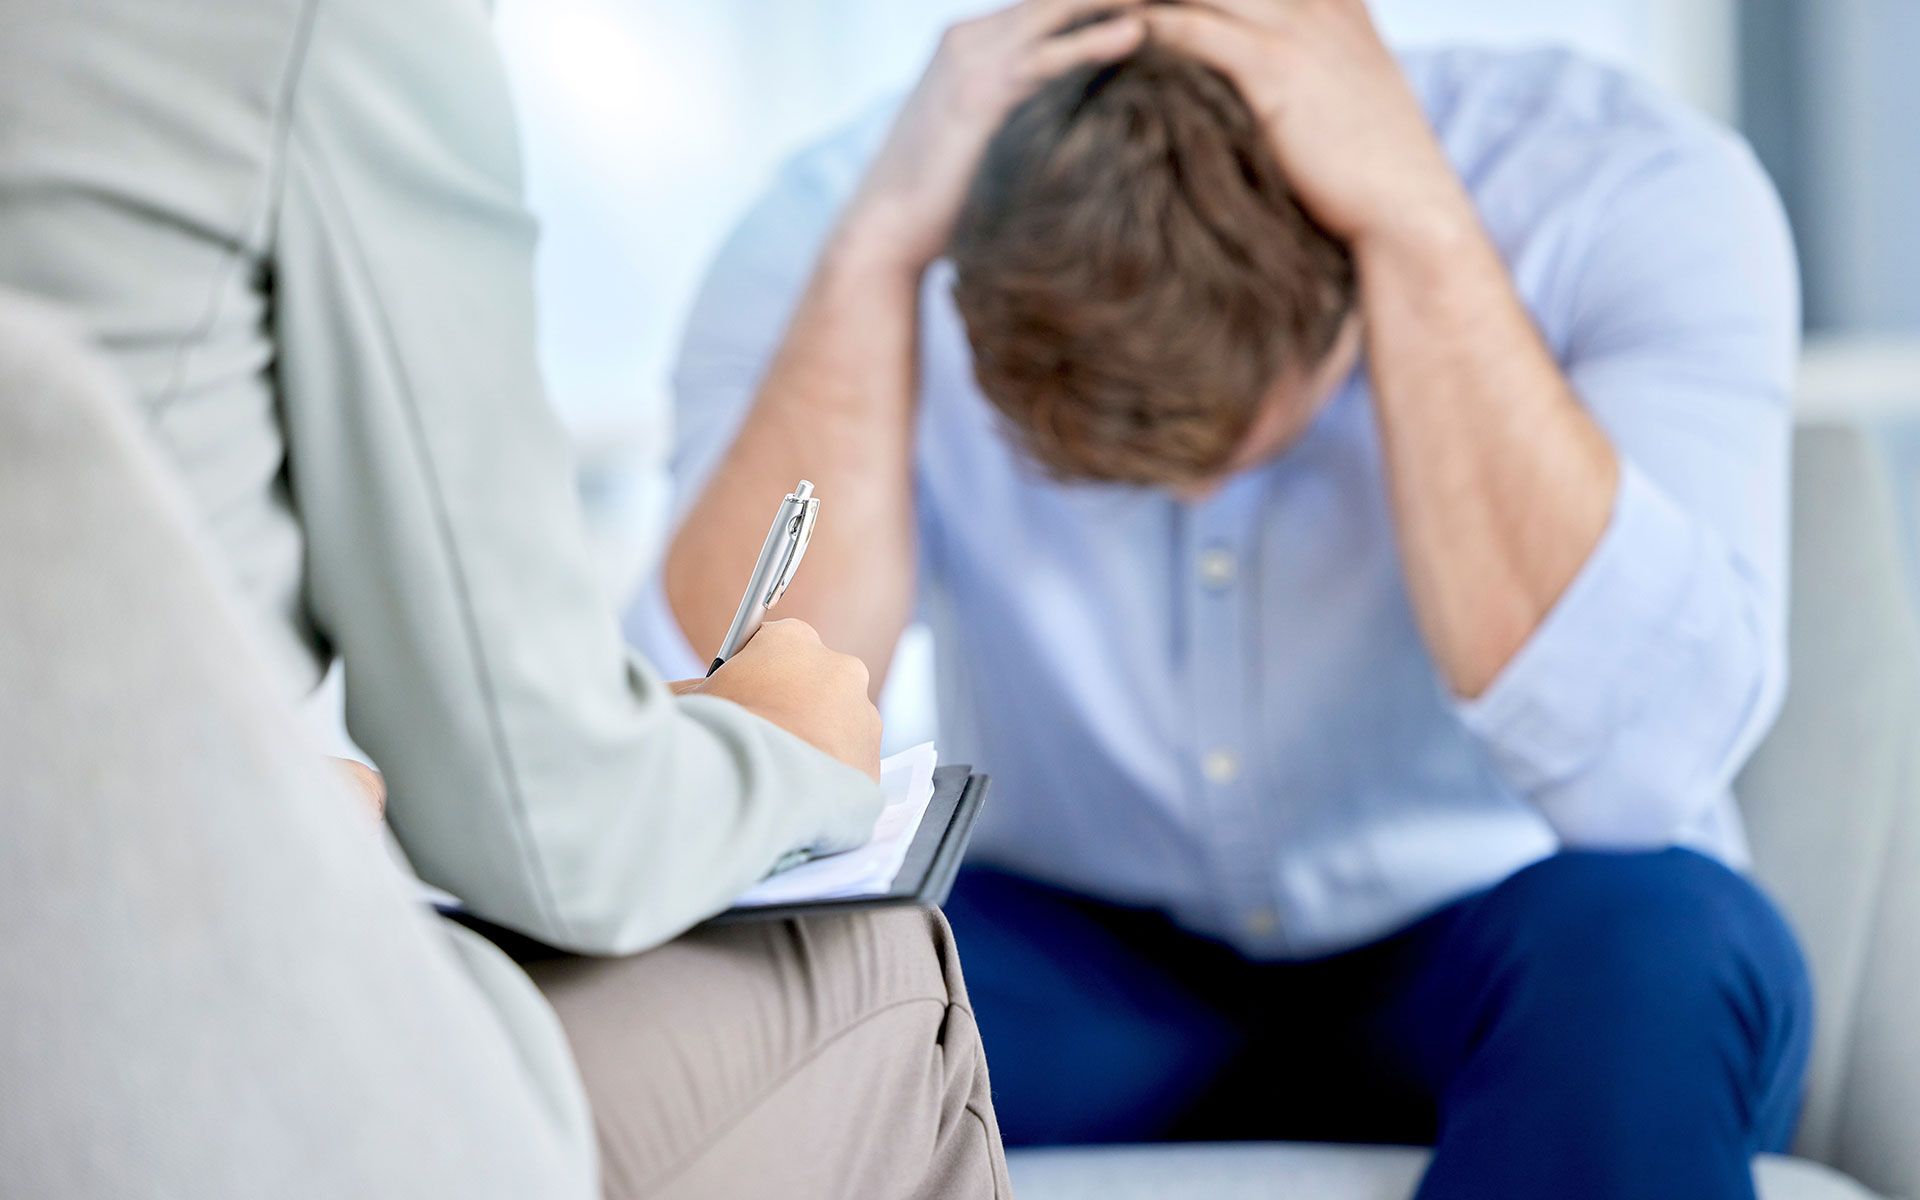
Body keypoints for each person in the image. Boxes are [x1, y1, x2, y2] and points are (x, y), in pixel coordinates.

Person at [646, 1, 1814, 1197]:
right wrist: (877, 257)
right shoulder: (834, 222)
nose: (1190, 492)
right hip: (1071, 969)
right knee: (736, 996)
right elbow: (724, 779)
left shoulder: (1619, 181)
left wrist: (1420, 228)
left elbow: (1643, 778)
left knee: (1663, 942)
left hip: (1490, 948)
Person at [0, 0, 1140, 1195]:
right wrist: (783, 750)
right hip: (150, 1084)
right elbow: (547, 834)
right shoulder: (329, 34)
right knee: (877, 952)